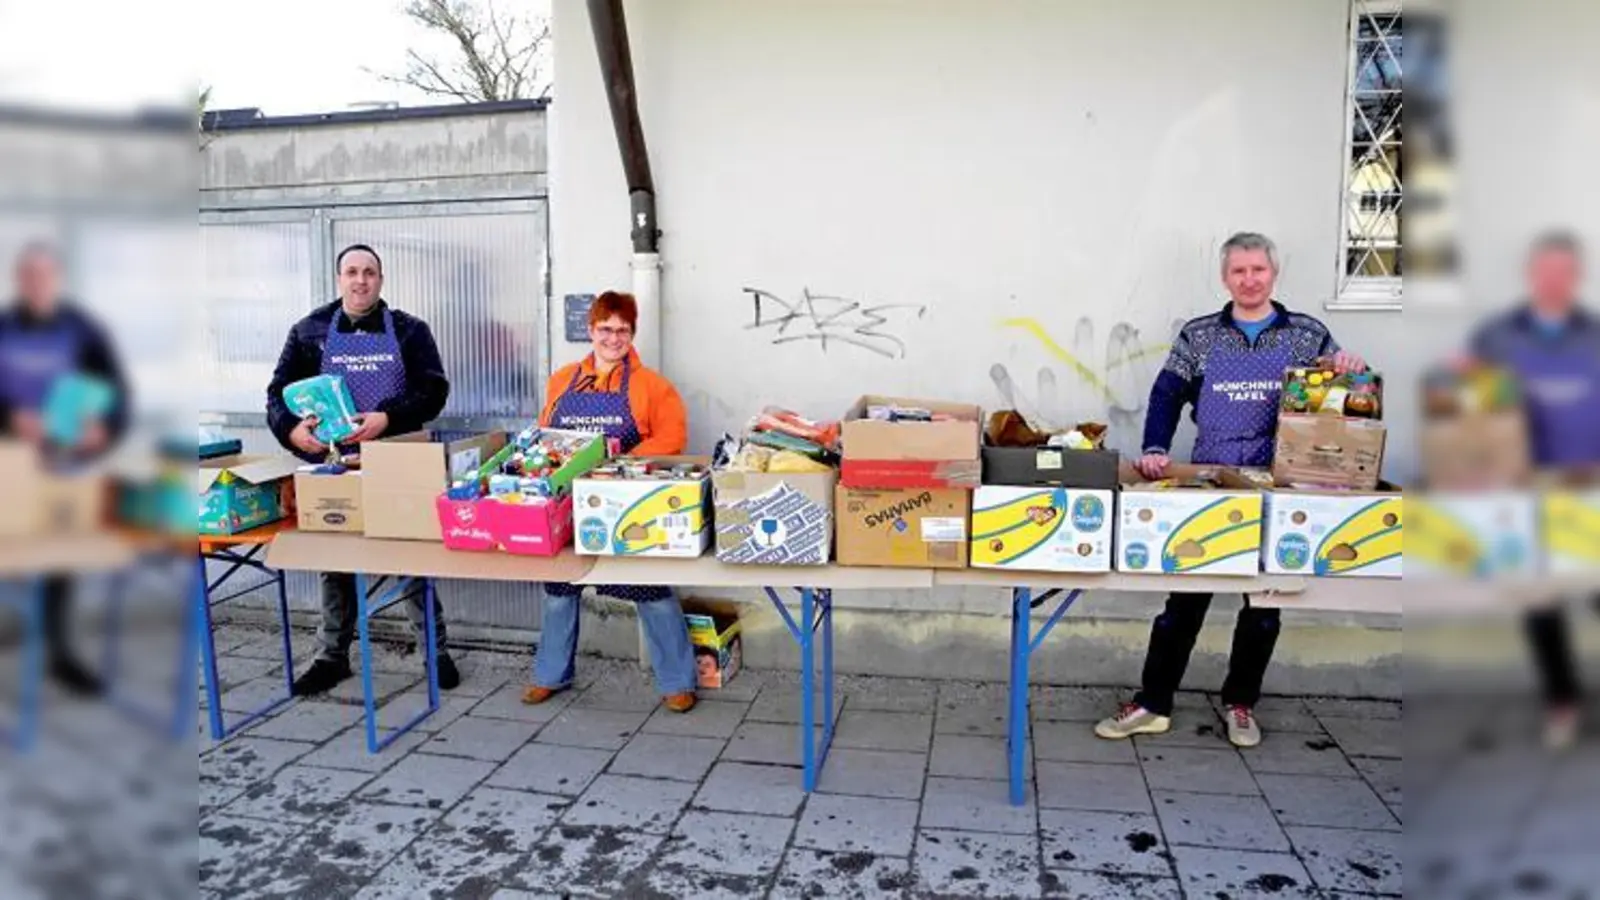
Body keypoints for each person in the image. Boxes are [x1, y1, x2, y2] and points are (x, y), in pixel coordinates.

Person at [1095, 232, 1366, 748]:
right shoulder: (1200, 336)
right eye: (1238, 271)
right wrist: (1154, 447)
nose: (1249, 279)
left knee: (1264, 602)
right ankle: (1154, 702)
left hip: (1279, 481)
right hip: (1212, 474)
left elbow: (1341, 400)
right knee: (1185, 598)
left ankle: (1241, 703)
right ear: (1225, 277)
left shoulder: (1307, 335)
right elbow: (1167, 393)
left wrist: (1348, 370)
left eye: (1257, 270)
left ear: (1273, 274)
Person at [266, 244, 459, 696]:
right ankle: (332, 657)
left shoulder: (411, 331)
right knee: (334, 561)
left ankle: (435, 653)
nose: (360, 280)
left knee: (411, 558)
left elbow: (434, 391)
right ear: (339, 279)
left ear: (381, 280)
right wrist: (292, 431)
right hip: (333, 465)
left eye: (369, 273)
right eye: (351, 272)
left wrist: (387, 417)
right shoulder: (309, 331)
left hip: (396, 461)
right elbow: (277, 393)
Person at [520, 291, 699, 713]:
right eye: (605, 329)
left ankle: (677, 680)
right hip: (567, 504)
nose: (613, 338)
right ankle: (550, 675)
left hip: (625, 504)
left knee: (649, 588)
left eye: (622, 330)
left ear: (632, 333)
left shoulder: (652, 386)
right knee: (560, 589)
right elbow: (548, 432)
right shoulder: (562, 379)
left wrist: (615, 464)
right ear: (591, 330)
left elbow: (672, 438)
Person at [1462, 230, 1600, 750]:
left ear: (1577, 276)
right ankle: (1562, 701)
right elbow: (1469, 409)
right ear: (1531, 274)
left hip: (1590, 486)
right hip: (1525, 488)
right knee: (1542, 603)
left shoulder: (1595, 335)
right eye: (1546, 270)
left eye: (1564, 271)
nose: (1554, 280)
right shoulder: (1499, 338)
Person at [0, 241, 130, 695]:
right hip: (7, 466)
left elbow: (115, 392)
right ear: (19, 281)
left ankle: (59, 653)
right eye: (31, 276)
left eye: (48, 276)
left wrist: (102, 428)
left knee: (59, 561)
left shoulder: (84, 331)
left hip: (64, 466)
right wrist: (11, 417)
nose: (39, 285)